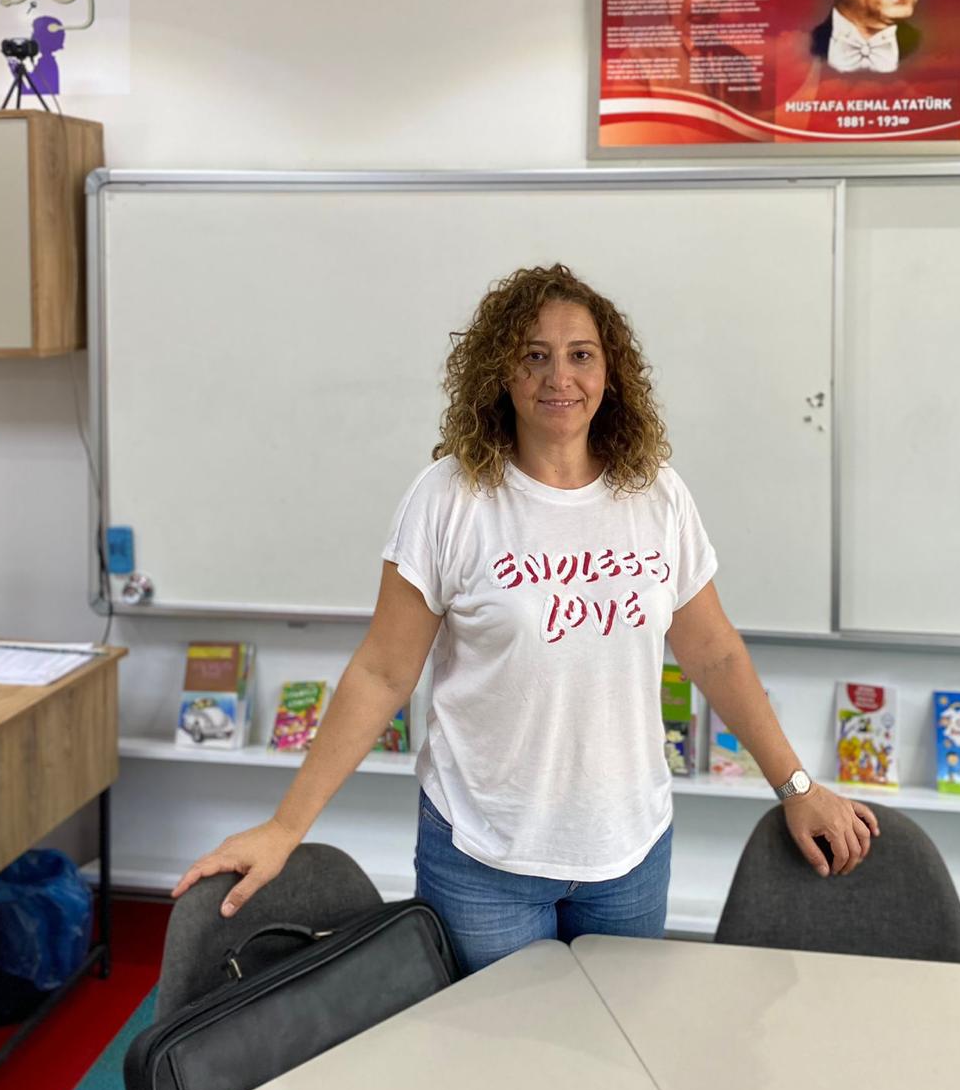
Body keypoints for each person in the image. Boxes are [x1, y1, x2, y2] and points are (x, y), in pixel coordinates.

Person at [172, 264, 879, 974]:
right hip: (483, 859)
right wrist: (285, 826)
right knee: (495, 1044)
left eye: (580, 355)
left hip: (629, 855)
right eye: (533, 355)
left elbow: (714, 653)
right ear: (500, 373)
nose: (558, 376)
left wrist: (797, 786)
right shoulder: (450, 498)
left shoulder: (656, 494)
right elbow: (383, 673)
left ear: (610, 372)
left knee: (619, 1037)